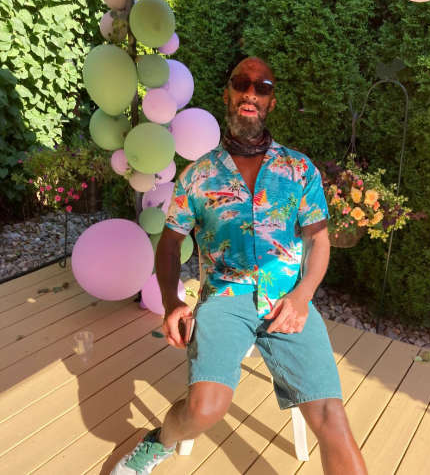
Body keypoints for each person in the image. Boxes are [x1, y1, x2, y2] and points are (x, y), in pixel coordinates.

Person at [111, 57, 367, 475]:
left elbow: (318, 239)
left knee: (331, 417)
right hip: (224, 299)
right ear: (227, 94)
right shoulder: (198, 175)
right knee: (204, 409)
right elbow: (170, 244)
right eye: (241, 83)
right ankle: (159, 442)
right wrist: (173, 302)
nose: (251, 92)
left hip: (287, 299)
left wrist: (303, 296)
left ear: (271, 101)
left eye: (262, 87)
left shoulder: (299, 169)